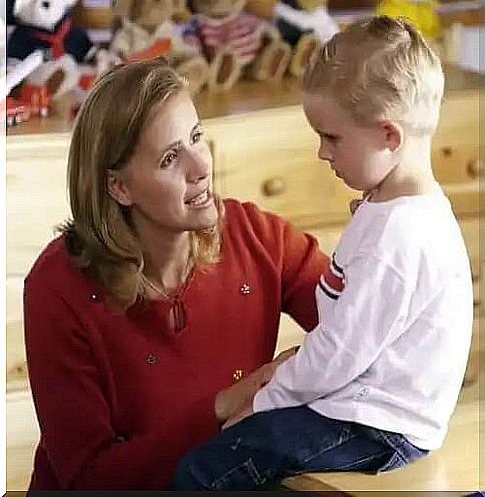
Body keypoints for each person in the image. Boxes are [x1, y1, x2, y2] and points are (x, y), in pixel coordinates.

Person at [172, 16, 474, 490]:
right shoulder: (391, 209)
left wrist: (265, 399)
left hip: (378, 423)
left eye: (332, 137)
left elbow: (338, 353)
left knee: (204, 469)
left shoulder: (398, 237)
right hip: (362, 402)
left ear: (389, 137)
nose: (321, 153)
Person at [22, 57, 329, 490]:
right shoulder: (59, 288)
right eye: (170, 157)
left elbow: (360, 327)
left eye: (196, 137)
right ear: (119, 187)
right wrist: (221, 407)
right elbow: (89, 478)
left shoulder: (256, 236)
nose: (201, 166)